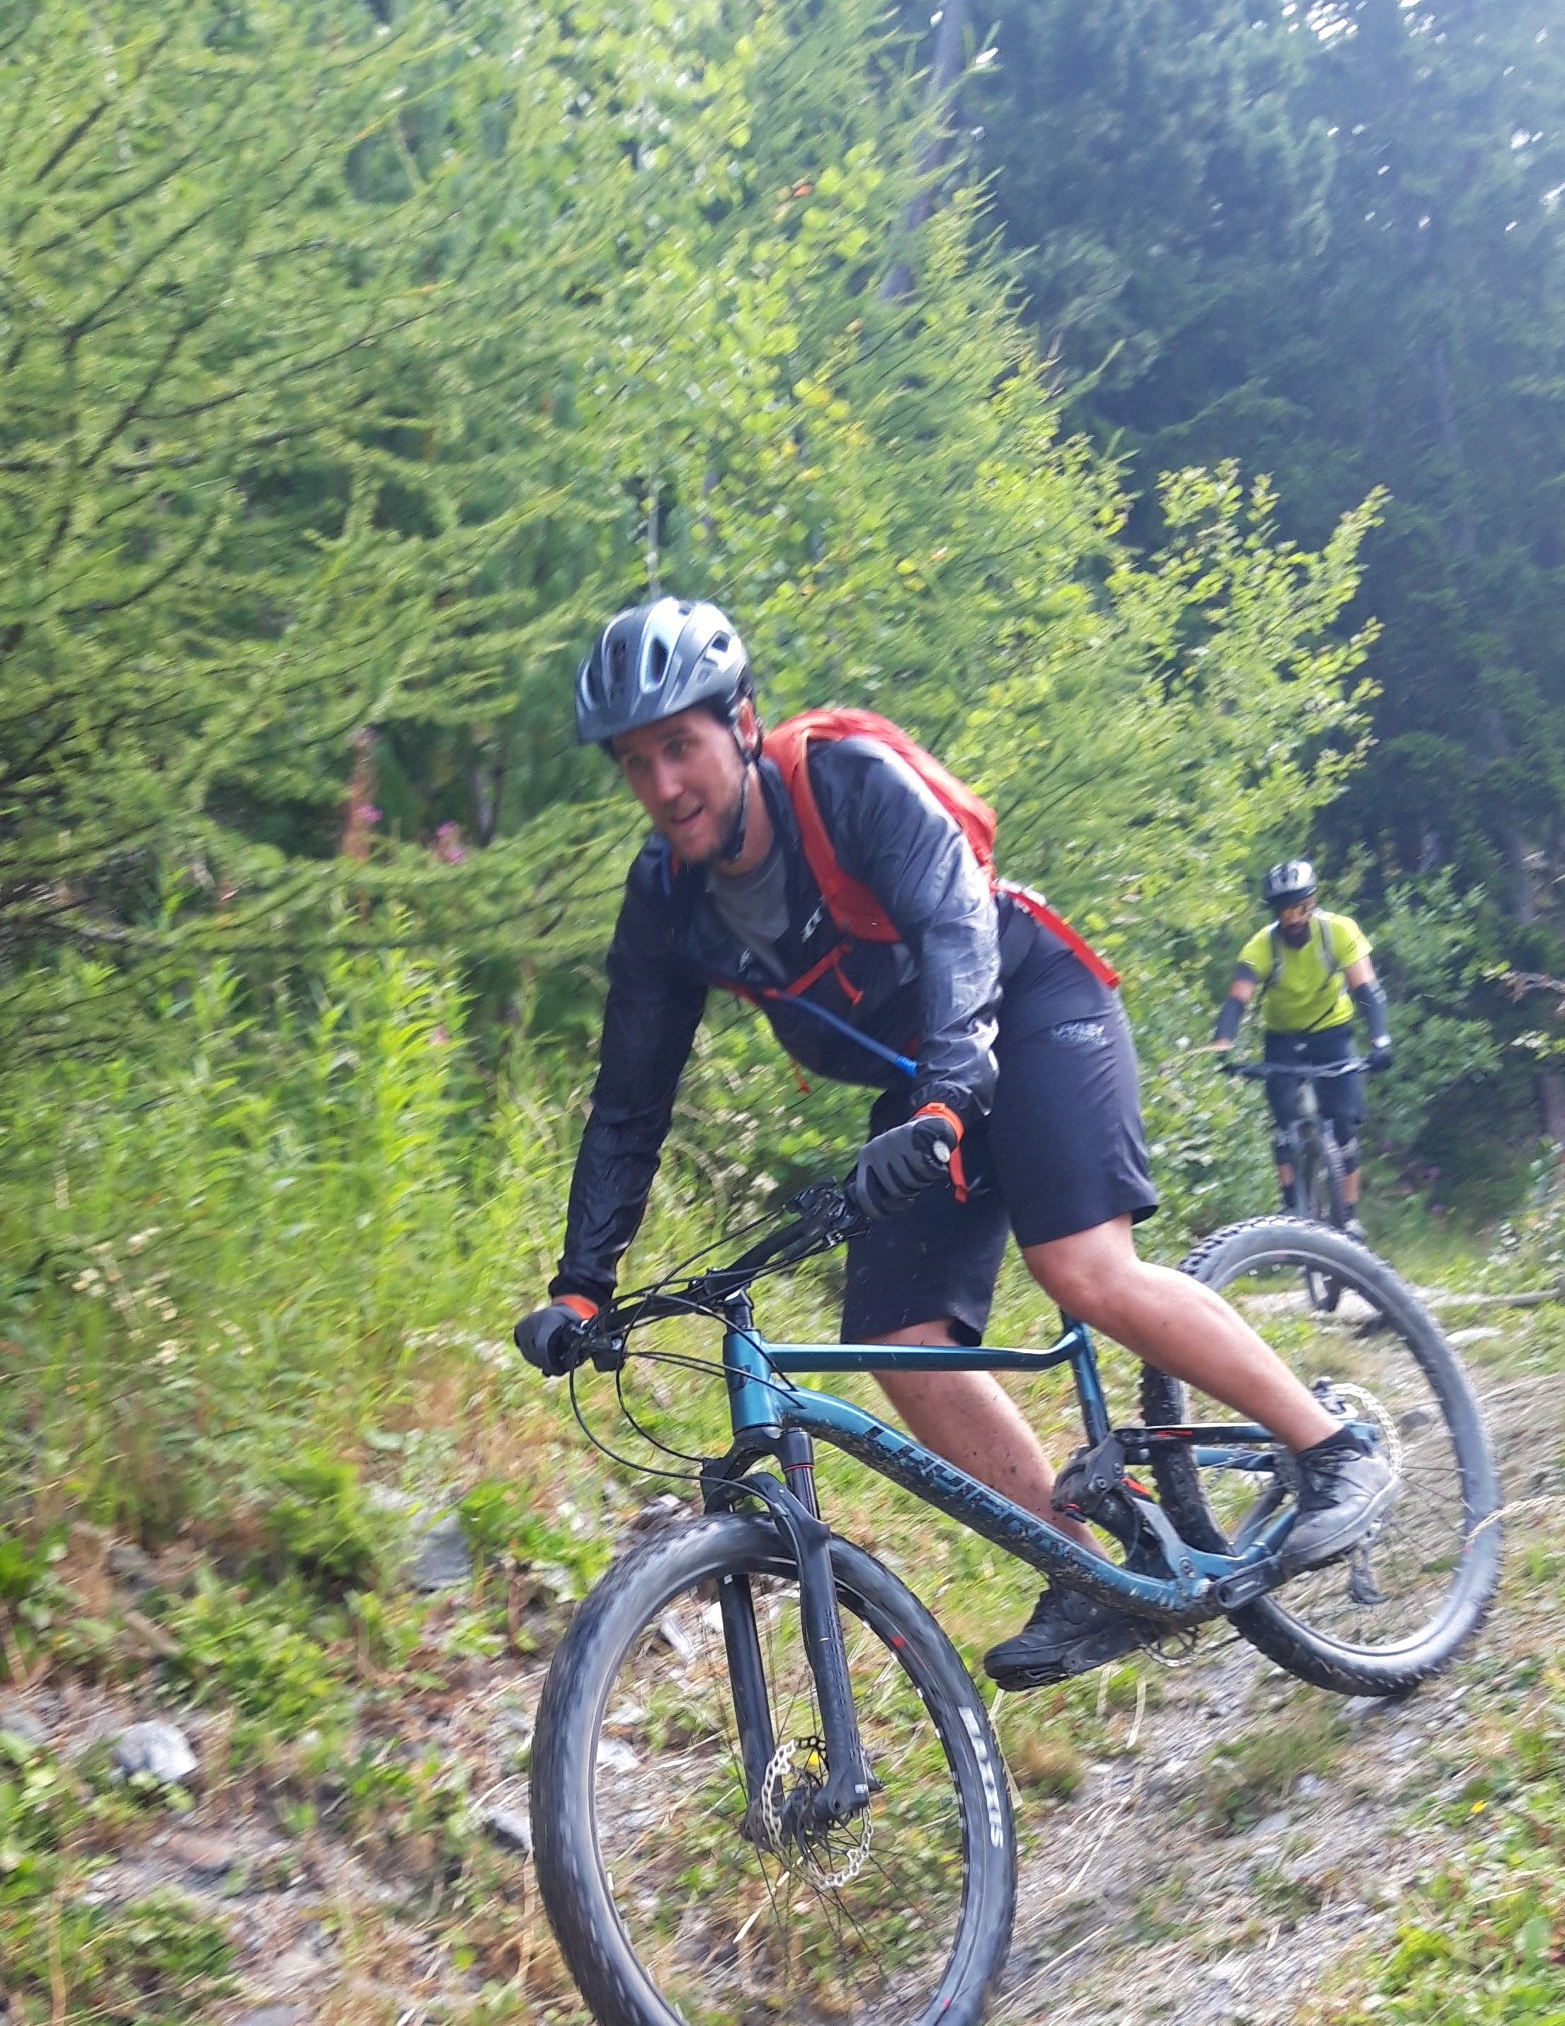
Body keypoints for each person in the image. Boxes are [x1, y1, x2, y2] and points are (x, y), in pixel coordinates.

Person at [514, 600, 1397, 1689]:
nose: (663, 786)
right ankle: (1085, 1574)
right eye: (635, 764)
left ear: (740, 723)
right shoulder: (666, 902)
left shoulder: (844, 783)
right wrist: (584, 1285)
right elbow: (629, 1101)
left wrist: (944, 1101)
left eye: (679, 747)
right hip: (922, 1077)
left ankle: (1332, 1451)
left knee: (1081, 1268)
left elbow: (953, 924)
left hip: (1026, 998)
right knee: (896, 1338)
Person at [1211, 860, 1393, 1240]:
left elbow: (1366, 989)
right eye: (1284, 910)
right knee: (1283, 1120)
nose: (1293, 918)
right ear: (1275, 912)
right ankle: (1291, 1204)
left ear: (1313, 903)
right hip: (1283, 1036)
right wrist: (1223, 1047)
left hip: (1332, 1030)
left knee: (1344, 1122)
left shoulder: (1339, 931)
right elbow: (1237, 999)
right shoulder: (1261, 946)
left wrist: (1380, 1040)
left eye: (1301, 907)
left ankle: (1348, 1215)